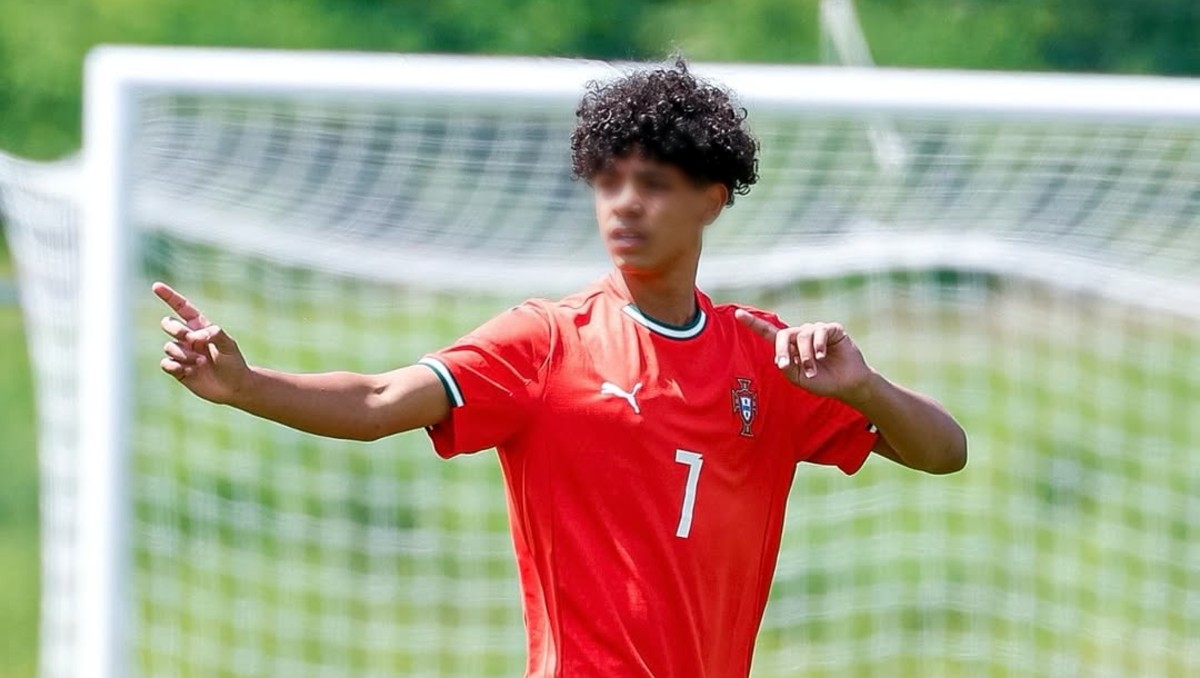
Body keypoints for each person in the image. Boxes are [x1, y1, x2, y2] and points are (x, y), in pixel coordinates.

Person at [155, 60, 966, 678]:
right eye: (608, 183)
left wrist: (865, 389)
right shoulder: (545, 342)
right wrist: (247, 385)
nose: (624, 204)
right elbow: (378, 399)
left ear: (712, 199)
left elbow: (944, 451)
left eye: (652, 185)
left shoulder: (765, 355)